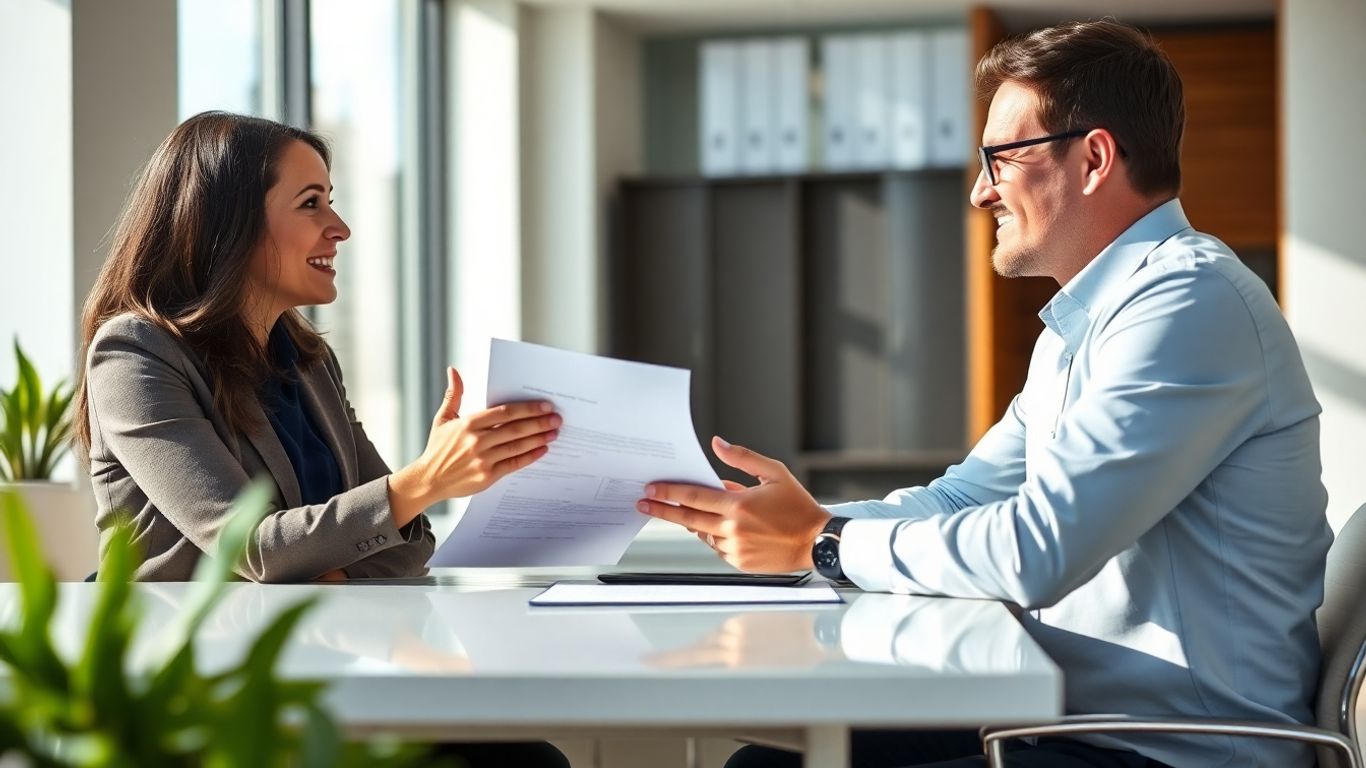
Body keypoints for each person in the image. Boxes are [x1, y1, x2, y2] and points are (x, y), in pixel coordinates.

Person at [638, 20, 1331, 768]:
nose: (978, 192)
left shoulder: (1189, 302)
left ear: (1094, 158)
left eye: (1000, 158)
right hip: (1078, 722)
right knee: (772, 759)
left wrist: (824, 543)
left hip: (1172, 754)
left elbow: (1041, 549)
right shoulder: (1081, 327)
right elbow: (964, 496)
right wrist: (798, 522)